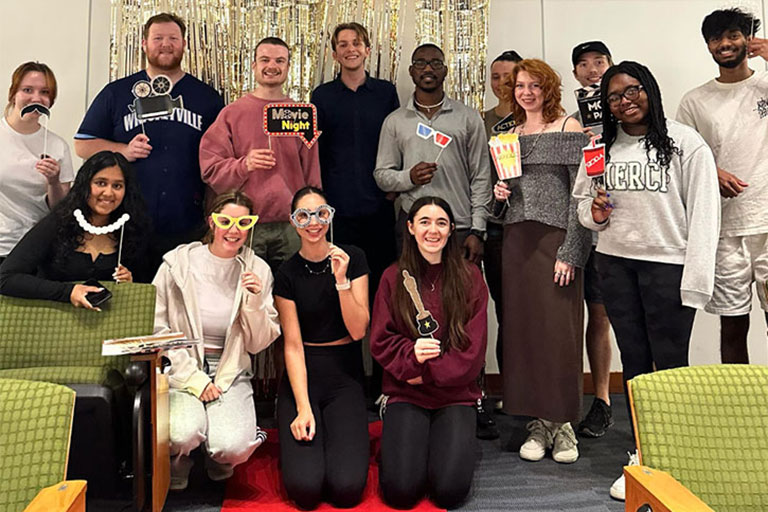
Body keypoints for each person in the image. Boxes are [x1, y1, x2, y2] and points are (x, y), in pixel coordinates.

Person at [574, 61, 720, 501]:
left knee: (670, 364)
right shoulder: (601, 147)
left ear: (650, 90)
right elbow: (584, 205)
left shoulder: (684, 143)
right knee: (635, 364)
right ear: (607, 105)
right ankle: (642, 455)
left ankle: (675, 458)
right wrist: (594, 214)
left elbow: (705, 213)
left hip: (668, 267)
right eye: (615, 96)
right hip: (616, 265)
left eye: (633, 90)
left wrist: (696, 280)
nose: (626, 100)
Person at [493, 59, 590, 464]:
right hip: (517, 240)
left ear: (548, 87)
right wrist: (499, 195)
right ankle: (537, 422)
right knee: (525, 333)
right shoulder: (507, 134)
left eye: (534, 85)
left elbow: (582, 192)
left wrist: (572, 251)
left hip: (557, 240)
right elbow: (499, 202)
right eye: (519, 85)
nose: (526, 92)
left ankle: (563, 423)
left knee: (559, 331)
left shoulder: (570, 128)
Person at [75, 12, 224, 274]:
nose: (166, 44)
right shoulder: (117, 92)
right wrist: (124, 150)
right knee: (129, 300)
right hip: (126, 222)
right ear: (144, 44)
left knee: (180, 301)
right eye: (158, 38)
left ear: (184, 44)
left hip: (186, 222)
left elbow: (218, 162)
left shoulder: (207, 98)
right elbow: (82, 145)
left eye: (173, 38)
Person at [153, 190, 280, 490]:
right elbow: (158, 329)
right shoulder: (177, 264)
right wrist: (194, 380)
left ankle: (218, 460)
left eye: (243, 222)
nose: (234, 230)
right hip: (180, 365)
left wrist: (254, 301)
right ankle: (178, 464)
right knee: (181, 433)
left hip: (229, 368)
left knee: (233, 446)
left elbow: (259, 342)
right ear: (212, 222)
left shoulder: (258, 269)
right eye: (226, 221)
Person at [370, 196, 488, 509]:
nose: (432, 230)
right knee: (401, 491)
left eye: (440, 223)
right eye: (424, 222)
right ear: (410, 227)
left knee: (449, 491)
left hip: (455, 393)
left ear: (451, 230)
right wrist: (411, 357)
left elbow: (473, 350)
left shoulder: (471, 278)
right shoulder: (392, 278)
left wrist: (427, 373)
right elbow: (381, 339)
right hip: (407, 391)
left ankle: (451, 437)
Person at [310, 22, 400, 403]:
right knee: (339, 297)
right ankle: (346, 384)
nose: (350, 49)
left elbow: (397, 144)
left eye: (356, 43)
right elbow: (311, 150)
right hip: (337, 213)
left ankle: (383, 386)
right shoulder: (321, 96)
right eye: (342, 44)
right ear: (334, 53)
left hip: (379, 209)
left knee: (383, 297)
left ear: (367, 49)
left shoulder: (386, 93)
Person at [677, 8, 768, 364]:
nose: (725, 44)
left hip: (767, 223)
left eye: (732, 35)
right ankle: (740, 410)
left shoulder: (763, 86)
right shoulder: (695, 100)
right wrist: (711, 172)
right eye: (716, 38)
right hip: (724, 229)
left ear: (748, 38)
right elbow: (681, 155)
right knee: (733, 325)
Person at [274, 187, 370, 509]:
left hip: (345, 372)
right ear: (293, 222)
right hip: (304, 372)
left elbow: (359, 331)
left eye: (320, 214)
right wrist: (303, 407)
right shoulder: (286, 273)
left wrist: (341, 281)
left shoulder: (353, 257)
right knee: (305, 489)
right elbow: (292, 345)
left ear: (330, 216)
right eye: (304, 215)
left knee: (347, 489)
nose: (313, 222)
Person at [200, 36, 321, 274]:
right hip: (244, 223)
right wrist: (245, 165)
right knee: (243, 292)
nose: (272, 66)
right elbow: (211, 170)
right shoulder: (231, 114)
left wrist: (314, 215)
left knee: (290, 293)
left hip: (291, 223)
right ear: (253, 66)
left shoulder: (300, 114)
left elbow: (312, 172)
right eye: (264, 60)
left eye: (279, 60)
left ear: (288, 67)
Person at [374, 43, 490, 262]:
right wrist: (409, 177)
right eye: (420, 63)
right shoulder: (395, 121)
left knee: (460, 295)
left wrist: (477, 230)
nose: (428, 69)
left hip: (459, 226)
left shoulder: (468, 117)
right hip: (413, 226)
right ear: (411, 71)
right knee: (413, 294)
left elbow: (481, 176)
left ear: (445, 70)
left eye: (435, 63)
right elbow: (382, 175)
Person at [0, 151, 150, 307]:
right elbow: (5, 278)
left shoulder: (132, 230)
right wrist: (68, 292)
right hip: (53, 325)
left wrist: (131, 283)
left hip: (110, 328)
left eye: (117, 186)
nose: (108, 193)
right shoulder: (58, 223)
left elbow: (147, 289)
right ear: (85, 185)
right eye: (101, 183)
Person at [570, 40, 615, 438]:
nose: (592, 69)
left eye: (599, 61)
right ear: (574, 75)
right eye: (583, 64)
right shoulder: (570, 122)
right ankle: (581, 399)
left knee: (604, 316)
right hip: (579, 230)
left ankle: (606, 398)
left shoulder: (631, 112)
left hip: (623, 231)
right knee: (578, 316)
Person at [1, 62, 74, 265]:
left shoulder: (58, 146)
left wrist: (53, 181)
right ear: (13, 94)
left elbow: (61, 209)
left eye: (44, 92)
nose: (36, 98)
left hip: (38, 248)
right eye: (27, 90)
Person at [483, 49, 522, 379]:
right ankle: (510, 390)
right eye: (495, 76)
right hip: (496, 227)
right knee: (506, 313)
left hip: (533, 226)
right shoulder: (481, 120)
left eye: (508, 76)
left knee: (533, 312)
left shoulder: (540, 118)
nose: (501, 83)